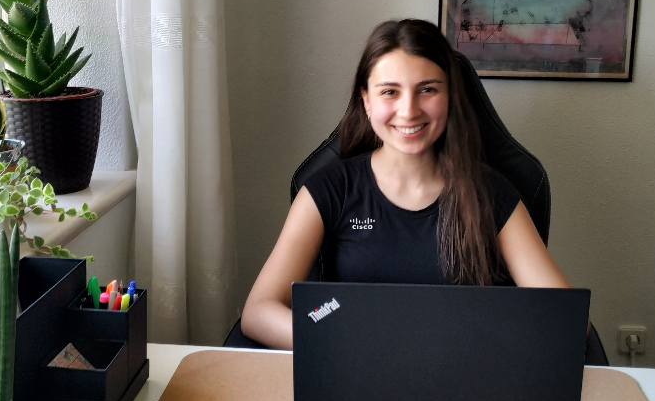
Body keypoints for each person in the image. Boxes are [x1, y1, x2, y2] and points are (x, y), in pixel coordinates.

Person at [240, 19, 571, 350]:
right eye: (390, 92)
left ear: (450, 97)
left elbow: (568, 321)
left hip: (462, 374)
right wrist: (345, 343)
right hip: (356, 371)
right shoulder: (329, 189)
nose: (409, 110)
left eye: (427, 89)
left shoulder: (491, 193)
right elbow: (258, 313)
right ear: (367, 100)